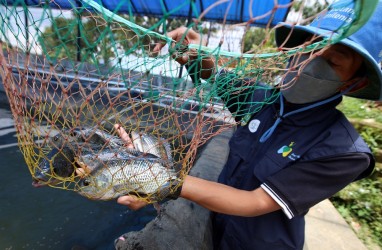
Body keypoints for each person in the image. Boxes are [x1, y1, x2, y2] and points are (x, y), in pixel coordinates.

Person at [89, 1, 382, 249]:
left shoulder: (343, 151)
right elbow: (215, 73)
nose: (310, 62)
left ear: (356, 81)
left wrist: (161, 179)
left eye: (332, 62)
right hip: (215, 232)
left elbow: (254, 202)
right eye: (310, 48)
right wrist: (193, 51)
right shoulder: (261, 100)